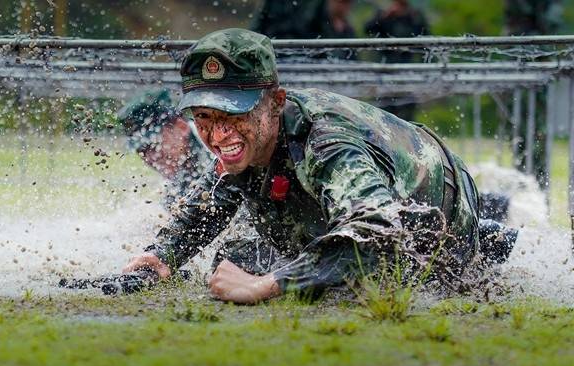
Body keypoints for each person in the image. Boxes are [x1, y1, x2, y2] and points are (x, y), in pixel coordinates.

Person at [123, 28, 516, 304]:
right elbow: (211, 202)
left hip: (437, 210)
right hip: (343, 202)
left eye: (234, 114)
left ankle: (488, 239)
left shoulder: (326, 144)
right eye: (204, 117)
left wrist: (267, 285)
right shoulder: (246, 142)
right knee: (235, 256)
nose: (219, 132)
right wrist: (158, 258)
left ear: (275, 103)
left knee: (373, 279)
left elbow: (379, 229)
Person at [117, 88, 212, 205]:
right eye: (141, 151)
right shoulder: (173, 194)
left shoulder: (220, 154)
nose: (151, 157)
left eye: (153, 145)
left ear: (181, 127)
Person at [504, 0, 562, 189]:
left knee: (537, 131)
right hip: (519, 57)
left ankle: (538, 181)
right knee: (516, 127)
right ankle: (523, 179)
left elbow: (551, 22)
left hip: (537, 58)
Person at [364, 0, 429, 121]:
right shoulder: (385, 15)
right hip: (385, 70)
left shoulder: (415, 17)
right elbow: (368, 29)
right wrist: (384, 16)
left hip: (407, 70)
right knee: (384, 108)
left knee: (407, 108)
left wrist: (424, 73)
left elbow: (425, 42)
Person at [252, 0, 357, 59]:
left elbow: (321, 26)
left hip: (304, 56)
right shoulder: (272, 3)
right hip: (274, 53)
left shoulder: (314, 7)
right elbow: (258, 26)